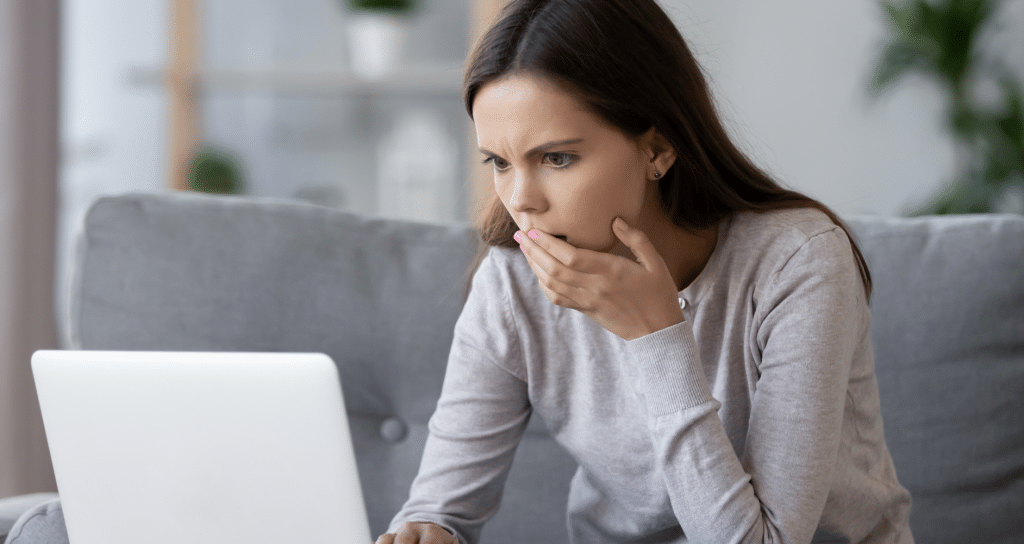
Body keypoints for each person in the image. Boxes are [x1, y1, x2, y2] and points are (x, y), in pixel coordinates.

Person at [375, 0, 914, 542]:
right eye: (499, 162)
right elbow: (441, 508)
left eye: (557, 158)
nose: (521, 200)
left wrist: (657, 338)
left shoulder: (798, 262)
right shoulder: (513, 280)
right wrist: (428, 529)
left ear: (657, 148)